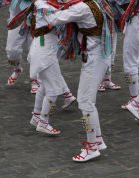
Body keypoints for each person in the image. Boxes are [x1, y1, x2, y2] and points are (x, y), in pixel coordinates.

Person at [36, 0, 114, 162]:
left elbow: (53, 20)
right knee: (88, 102)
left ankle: (91, 147)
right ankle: (97, 139)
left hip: (95, 58)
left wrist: (39, 4)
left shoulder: (81, 8)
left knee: (85, 103)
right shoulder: (94, 2)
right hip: (99, 55)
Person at [28, 0, 77, 135]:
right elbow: (55, 19)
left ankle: (36, 116)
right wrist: (75, 11)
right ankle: (43, 121)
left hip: (46, 49)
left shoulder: (50, 3)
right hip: (44, 51)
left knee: (45, 85)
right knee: (54, 90)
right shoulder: (41, 3)